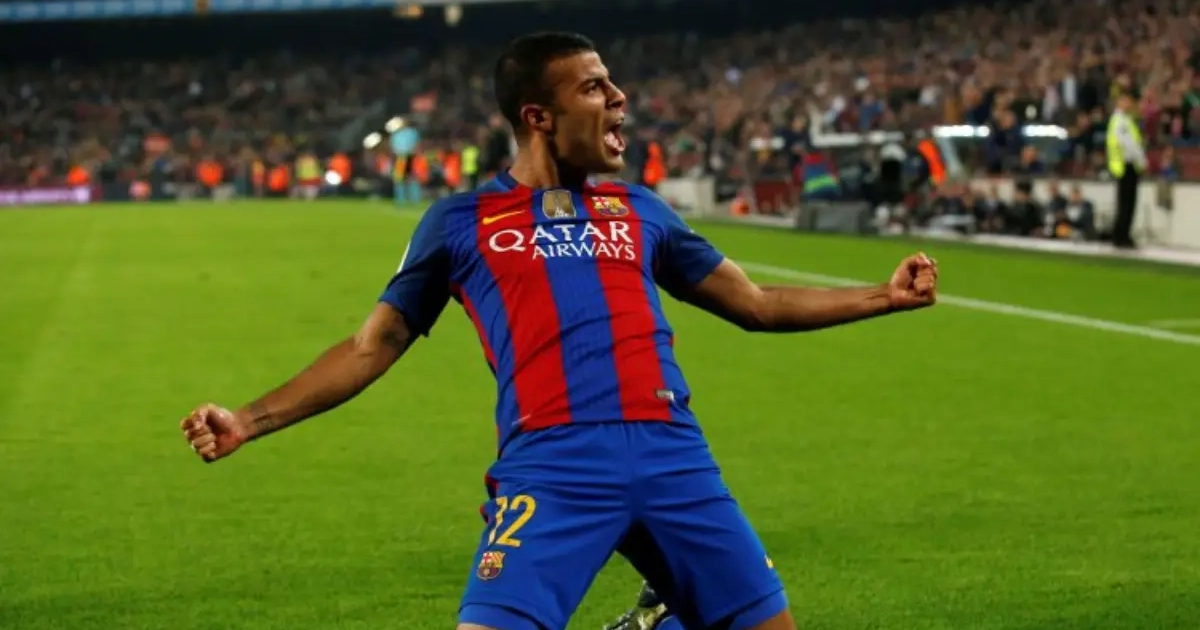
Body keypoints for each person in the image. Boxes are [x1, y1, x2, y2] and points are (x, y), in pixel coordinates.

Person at [179, 32, 939, 630]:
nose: (619, 97)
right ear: (537, 117)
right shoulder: (460, 222)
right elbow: (368, 347)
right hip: (552, 467)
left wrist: (885, 295)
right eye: (594, 87)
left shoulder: (640, 210)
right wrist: (247, 420)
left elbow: (757, 303)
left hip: (674, 456)